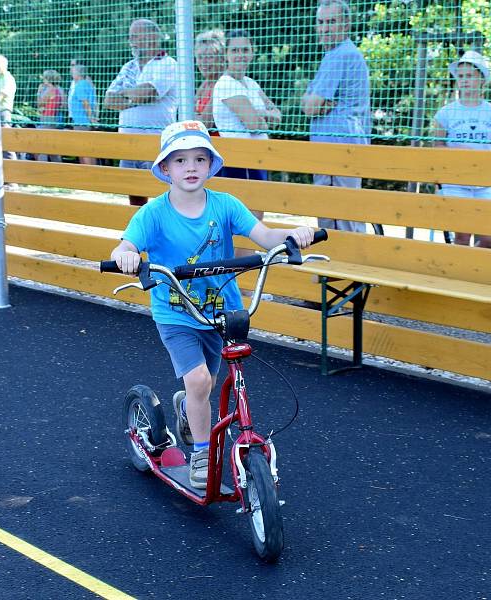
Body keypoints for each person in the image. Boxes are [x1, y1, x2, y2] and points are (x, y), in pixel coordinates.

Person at [109, 120, 315, 489]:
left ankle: (188, 408)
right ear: (166, 169)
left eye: (200, 159)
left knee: (208, 385)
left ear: (210, 165)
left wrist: (293, 235)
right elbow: (125, 245)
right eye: (181, 160)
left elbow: (265, 236)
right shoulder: (154, 213)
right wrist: (125, 256)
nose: (191, 167)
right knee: (200, 379)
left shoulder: (225, 205)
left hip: (221, 313)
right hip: (177, 314)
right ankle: (202, 452)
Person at [301, 0, 370, 234]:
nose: (325, 28)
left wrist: (316, 101)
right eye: (320, 22)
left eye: (331, 22)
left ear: (346, 24)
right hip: (338, 145)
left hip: (338, 147)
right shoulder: (335, 54)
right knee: (337, 212)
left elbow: (310, 107)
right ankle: (334, 268)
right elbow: (308, 104)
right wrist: (318, 102)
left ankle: (346, 268)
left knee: (342, 214)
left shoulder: (340, 55)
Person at [430, 50, 491, 249]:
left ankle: (475, 269)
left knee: (489, 239)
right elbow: (437, 146)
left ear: (481, 79)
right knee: (462, 237)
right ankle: (461, 273)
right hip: (456, 182)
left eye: (470, 76)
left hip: (484, 182)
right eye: (461, 76)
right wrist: (461, 153)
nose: (464, 80)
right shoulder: (445, 113)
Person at [104, 18, 179, 206]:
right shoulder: (129, 66)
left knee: (162, 197)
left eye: (135, 36)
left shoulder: (167, 63)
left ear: (152, 37)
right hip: (128, 145)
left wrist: (128, 95)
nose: (131, 41)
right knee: (135, 200)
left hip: (155, 145)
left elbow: (149, 92)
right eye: (130, 37)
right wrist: (135, 96)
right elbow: (108, 100)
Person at [212, 29, 281, 221]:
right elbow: (253, 125)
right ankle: (240, 252)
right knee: (243, 217)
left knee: (258, 214)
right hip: (239, 160)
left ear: (252, 52)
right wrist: (262, 117)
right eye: (234, 50)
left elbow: (277, 115)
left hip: (258, 158)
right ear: (226, 54)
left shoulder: (251, 83)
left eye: (244, 49)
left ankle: (253, 251)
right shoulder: (226, 84)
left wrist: (260, 115)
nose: (240, 55)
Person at [194, 29, 227, 131]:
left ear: (221, 59)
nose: (203, 62)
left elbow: (204, 124)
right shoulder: (205, 84)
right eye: (200, 57)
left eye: (209, 57)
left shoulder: (223, 84)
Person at [68, 63, 98, 165]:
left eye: (73, 72)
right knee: (87, 150)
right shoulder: (88, 84)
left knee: (83, 150)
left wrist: (91, 119)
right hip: (83, 121)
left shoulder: (80, 85)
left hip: (82, 122)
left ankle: (88, 174)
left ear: (78, 73)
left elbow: (85, 103)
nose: (71, 73)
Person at [36, 69, 66, 162]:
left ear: (47, 79)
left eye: (44, 78)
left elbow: (40, 103)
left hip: (46, 119)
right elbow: (63, 105)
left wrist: (39, 92)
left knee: (42, 147)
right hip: (55, 118)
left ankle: (42, 168)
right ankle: (58, 167)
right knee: (53, 147)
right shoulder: (60, 89)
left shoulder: (49, 90)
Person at [0, 54, 18, 162]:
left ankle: (13, 171)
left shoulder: (7, 78)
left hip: (3, 113)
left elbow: (0, 96)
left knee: (6, 143)